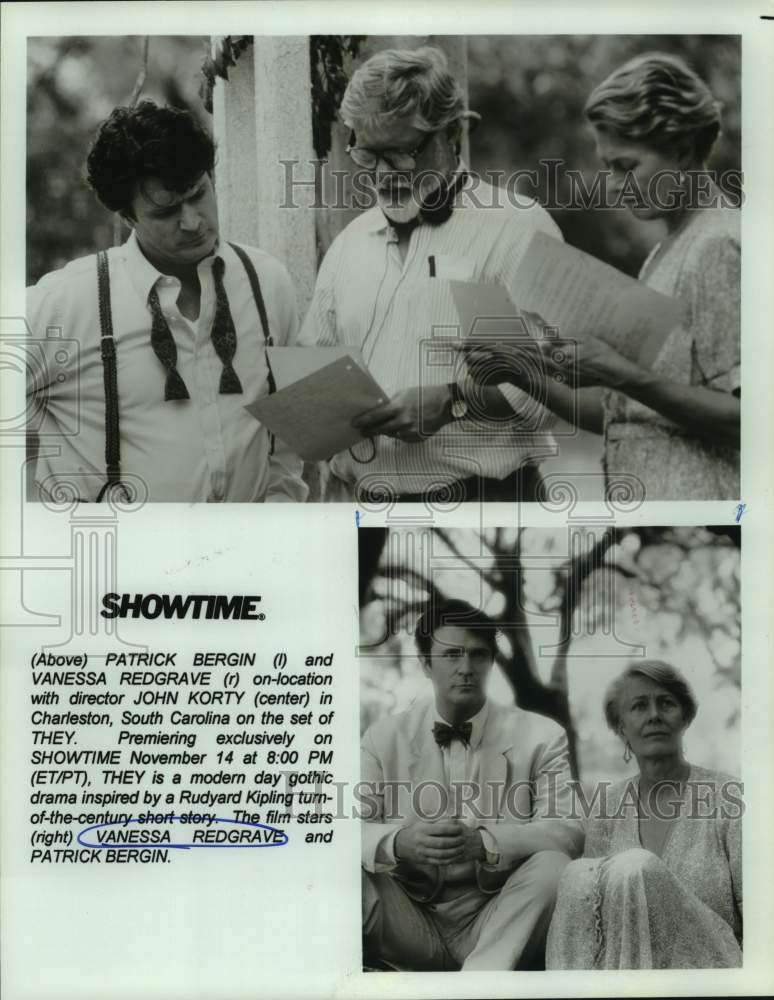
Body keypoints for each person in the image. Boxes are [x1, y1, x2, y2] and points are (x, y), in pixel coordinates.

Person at [465, 53, 740, 501]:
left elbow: (748, 420)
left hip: (706, 522)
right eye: (607, 166)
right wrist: (521, 370)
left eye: (626, 166)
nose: (612, 184)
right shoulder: (666, 251)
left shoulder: (719, 244)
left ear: (685, 150)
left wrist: (624, 374)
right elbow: (623, 415)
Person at [298, 46, 562, 503]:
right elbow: (316, 368)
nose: (383, 175)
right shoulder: (348, 244)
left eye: (400, 154)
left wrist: (455, 401)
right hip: (361, 507)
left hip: (487, 505)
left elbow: (558, 386)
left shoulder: (519, 227)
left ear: (453, 133)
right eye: (366, 154)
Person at [26, 100, 307, 503]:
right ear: (128, 217)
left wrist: (282, 506)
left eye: (198, 194)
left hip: (246, 555)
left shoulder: (267, 281)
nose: (192, 222)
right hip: (123, 560)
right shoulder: (67, 302)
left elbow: (286, 432)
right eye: (166, 211)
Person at [359, 598, 583, 971]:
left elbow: (568, 831)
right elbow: (342, 831)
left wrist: (486, 843)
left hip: (499, 917)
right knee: (338, 874)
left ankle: (478, 983)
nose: (466, 668)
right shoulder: (382, 737)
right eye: (452, 655)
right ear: (426, 664)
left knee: (554, 866)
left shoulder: (542, 735)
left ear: (492, 662)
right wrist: (398, 842)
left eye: (479, 655)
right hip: (409, 919)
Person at [546, 661, 743, 969]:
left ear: (685, 718)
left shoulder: (729, 797)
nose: (654, 715)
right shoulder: (608, 807)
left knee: (636, 866)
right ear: (621, 727)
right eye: (639, 706)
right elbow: (591, 920)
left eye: (666, 703)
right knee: (576, 877)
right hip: (626, 975)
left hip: (711, 972)